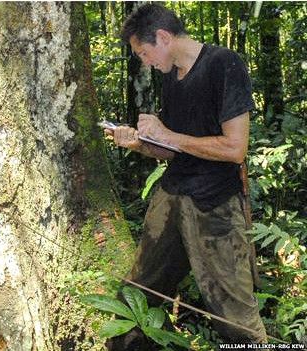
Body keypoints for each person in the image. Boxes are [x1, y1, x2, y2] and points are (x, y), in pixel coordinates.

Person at [103, 4, 267, 349]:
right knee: (136, 296)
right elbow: (173, 150)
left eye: (144, 52)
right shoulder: (171, 79)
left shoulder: (223, 64)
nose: (145, 61)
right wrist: (141, 143)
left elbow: (235, 149)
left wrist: (168, 136)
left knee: (235, 320)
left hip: (215, 205)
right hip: (171, 197)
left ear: (163, 37)